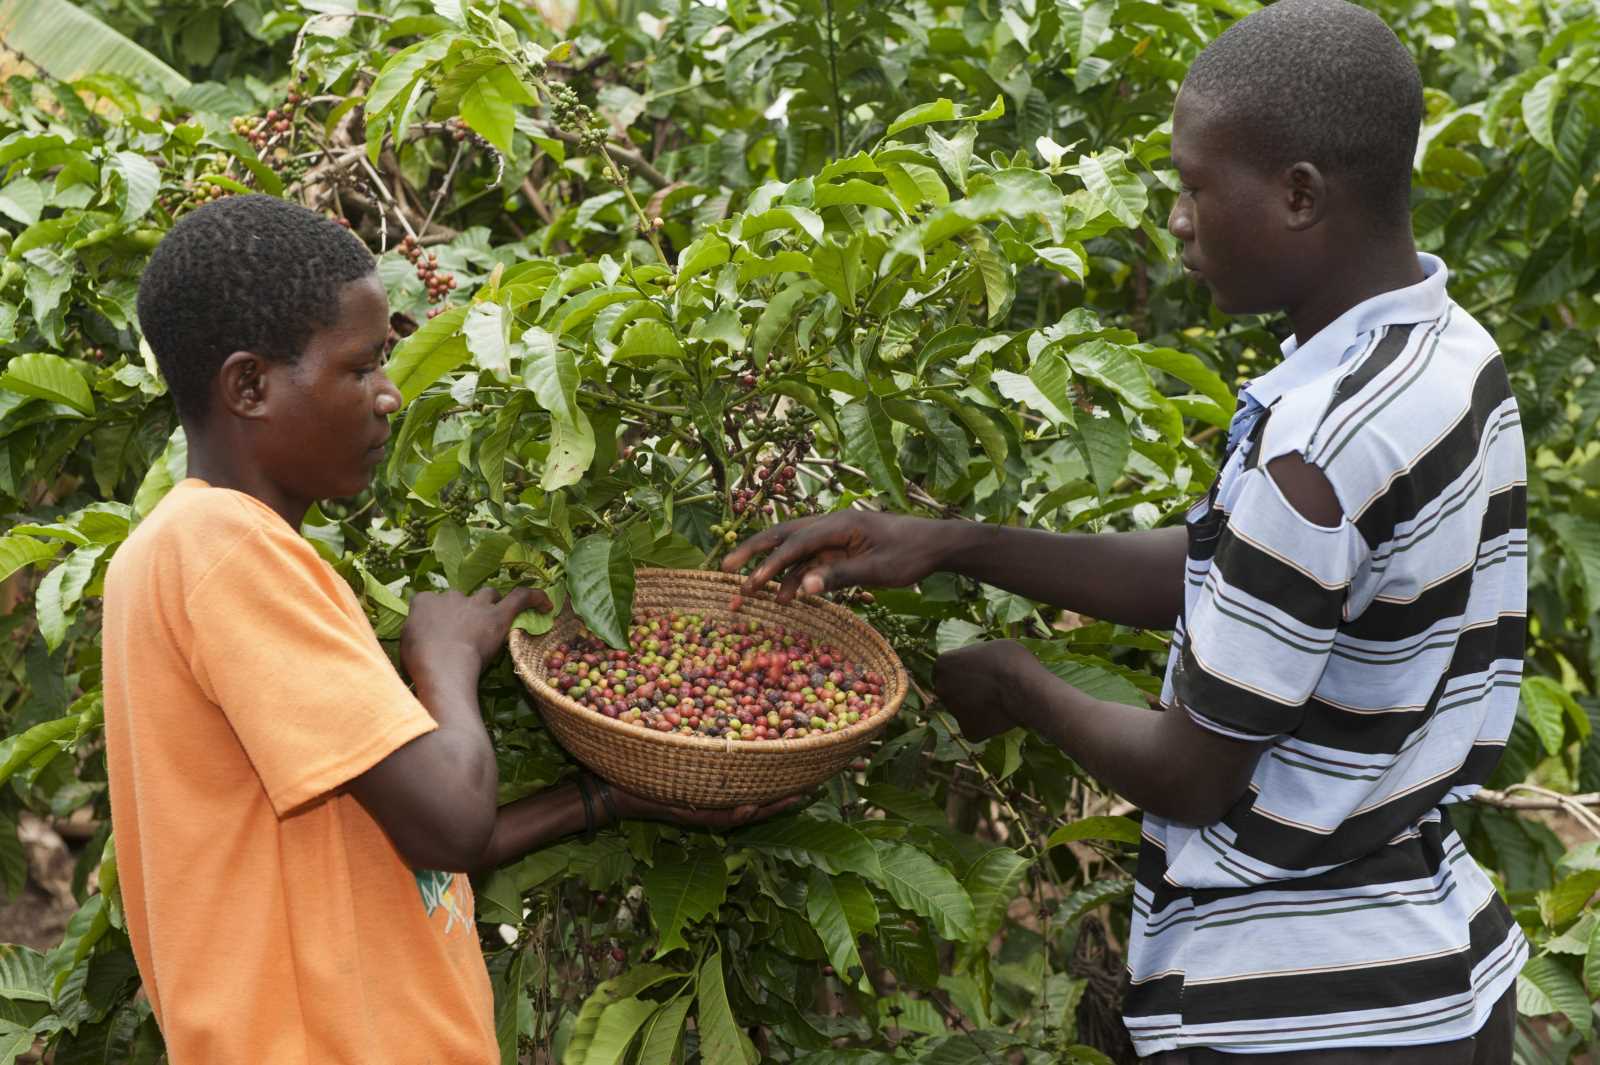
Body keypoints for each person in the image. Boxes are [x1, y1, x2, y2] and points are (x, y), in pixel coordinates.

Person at [724, 1, 1526, 1060]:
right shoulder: (1448, 355)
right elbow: (1226, 573)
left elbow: (1192, 772)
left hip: (1300, 1012)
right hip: (1443, 969)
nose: (1179, 220)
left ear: (1297, 195)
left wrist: (1014, 685)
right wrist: (954, 543)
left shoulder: (1315, 447)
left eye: (1195, 187)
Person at [106, 193, 799, 1063]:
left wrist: (611, 797)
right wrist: (444, 660)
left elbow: (396, 837)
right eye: (360, 369)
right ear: (249, 385)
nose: (390, 395)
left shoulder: (186, 552)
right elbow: (447, 822)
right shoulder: (222, 549)